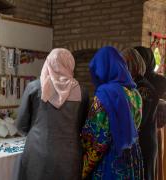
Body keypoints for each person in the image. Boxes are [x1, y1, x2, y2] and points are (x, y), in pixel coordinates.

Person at [16, 48, 89, 180]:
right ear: (70, 64)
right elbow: (82, 125)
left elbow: (21, 125)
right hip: (69, 157)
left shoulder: (34, 88)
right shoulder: (82, 92)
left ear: (48, 62)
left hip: (37, 154)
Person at [81, 46, 144, 179]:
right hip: (132, 154)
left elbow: (97, 134)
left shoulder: (105, 94)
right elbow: (137, 124)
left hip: (110, 157)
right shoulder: (135, 93)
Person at [121, 47, 158, 180]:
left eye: (124, 64)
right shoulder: (134, 85)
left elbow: (140, 120)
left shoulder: (143, 88)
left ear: (132, 65)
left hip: (144, 143)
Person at [135, 46, 166, 180]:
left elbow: (141, 117)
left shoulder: (143, 85)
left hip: (148, 134)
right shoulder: (155, 81)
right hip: (154, 133)